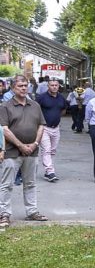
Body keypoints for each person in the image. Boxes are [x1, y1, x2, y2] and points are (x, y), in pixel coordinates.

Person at [0, 74, 48, 228]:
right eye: (20, 86)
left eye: (25, 85)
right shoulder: (5, 106)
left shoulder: (35, 105)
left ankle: (32, 211)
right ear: (13, 88)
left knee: (30, 183)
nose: (23, 88)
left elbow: (41, 125)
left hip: (32, 151)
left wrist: (34, 144)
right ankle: (4, 214)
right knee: (6, 184)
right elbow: (5, 130)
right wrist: (20, 145)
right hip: (11, 152)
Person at [36, 77, 68, 182]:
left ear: (59, 86)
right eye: (52, 85)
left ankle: (47, 172)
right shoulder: (41, 97)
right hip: (44, 128)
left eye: (56, 85)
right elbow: (35, 109)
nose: (54, 87)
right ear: (48, 86)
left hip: (56, 128)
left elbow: (64, 109)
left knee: (52, 151)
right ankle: (50, 172)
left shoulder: (61, 98)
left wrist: (56, 117)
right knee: (46, 149)